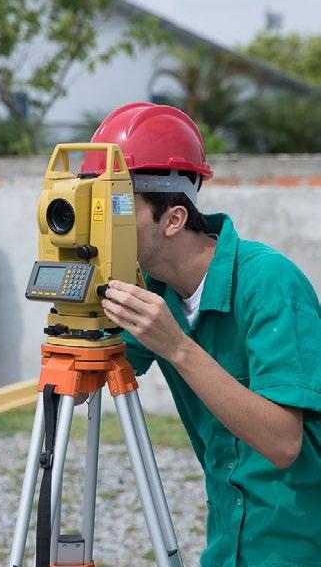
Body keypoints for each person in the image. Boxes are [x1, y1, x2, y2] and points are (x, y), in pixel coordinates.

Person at [81, 102, 321, 566]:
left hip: (295, 545)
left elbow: (283, 443)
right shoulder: (152, 288)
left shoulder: (269, 283)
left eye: (117, 209)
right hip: (227, 542)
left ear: (173, 218)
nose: (103, 225)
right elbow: (85, 381)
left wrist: (176, 346)